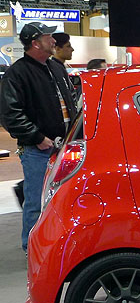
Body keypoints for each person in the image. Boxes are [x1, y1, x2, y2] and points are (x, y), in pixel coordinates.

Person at [0, 22, 77, 251]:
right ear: (35, 43)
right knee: (36, 202)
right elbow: (10, 115)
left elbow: (71, 102)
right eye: (48, 37)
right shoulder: (17, 74)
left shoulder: (56, 68)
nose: (53, 41)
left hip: (64, 148)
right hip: (38, 150)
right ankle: (32, 249)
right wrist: (38, 138)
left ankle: (57, 246)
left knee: (62, 200)